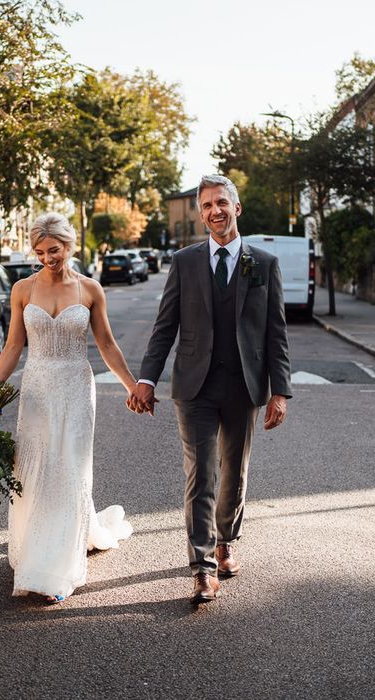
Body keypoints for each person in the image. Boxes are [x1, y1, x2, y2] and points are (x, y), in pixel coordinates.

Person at [128, 174, 292, 605]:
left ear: (236, 208)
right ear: (201, 215)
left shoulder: (265, 263)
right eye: (206, 206)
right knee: (200, 474)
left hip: (244, 385)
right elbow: (165, 327)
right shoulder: (183, 262)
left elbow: (276, 333)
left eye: (221, 203)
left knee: (233, 474)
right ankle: (201, 568)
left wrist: (281, 391)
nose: (215, 211)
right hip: (194, 386)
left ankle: (224, 542)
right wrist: (146, 378)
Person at [0, 212, 136, 604]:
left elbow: (107, 346)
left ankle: (56, 568)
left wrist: (133, 387)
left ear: (69, 246)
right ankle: (37, 549)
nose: (47, 257)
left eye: (54, 250)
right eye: (40, 252)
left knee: (69, 469)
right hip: (36, 390)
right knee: (35, 471)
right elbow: (14, 346)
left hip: (75, 387)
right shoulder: (22, 289)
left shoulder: (89, 290)